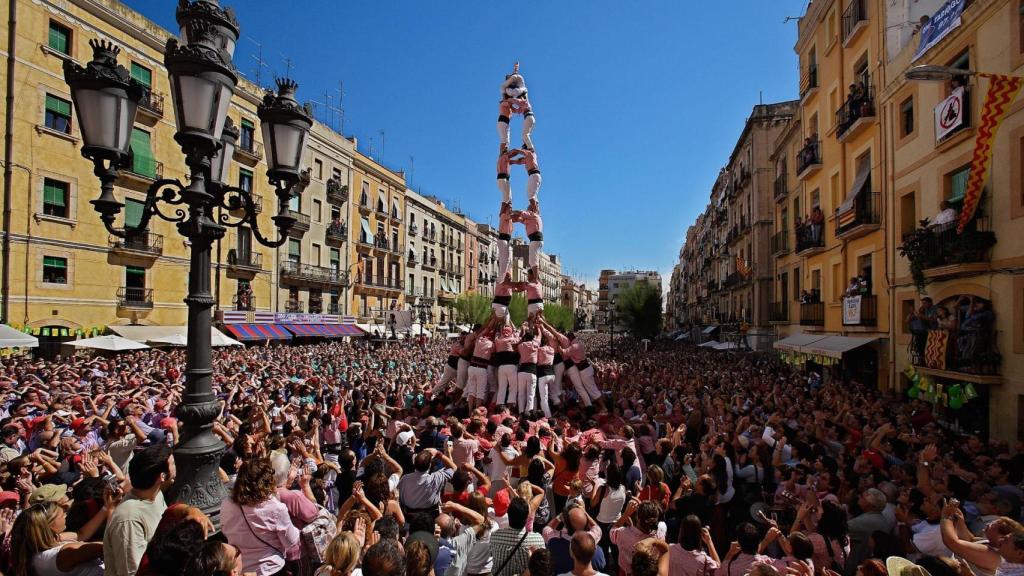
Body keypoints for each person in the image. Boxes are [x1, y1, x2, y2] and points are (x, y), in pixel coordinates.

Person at [220, 458, 300, 576]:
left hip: (241, 568)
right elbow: (291, 541)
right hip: (270, 569)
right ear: (267, 482)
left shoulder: (227, 503)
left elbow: (224, 530)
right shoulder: (276, 508)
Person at [103, 443, 173, 576]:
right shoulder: (129, 520)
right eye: (173, 464)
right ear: (162, 476)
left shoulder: (155, 493)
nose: (177, 467)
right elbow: (131, 572)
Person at [10, 502, 104, 576]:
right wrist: (113, 513)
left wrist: (106, 508)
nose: (66, 515)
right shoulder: (65, 553)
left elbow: (80, 534)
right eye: (62, 514)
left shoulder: (41, 548)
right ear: (49, 526)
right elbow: (109, 546)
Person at [490, 497, 545, 576]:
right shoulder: (538, 540)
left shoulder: (495, 536)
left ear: (508, 514)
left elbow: (491, 554)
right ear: (526, 518)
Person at [396, 447, 457, 517]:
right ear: (430, 465)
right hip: (431, 518)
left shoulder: (405, 479)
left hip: (409, 519)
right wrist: (438, 454)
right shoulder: (436, 478)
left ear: (414, 463)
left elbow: (399, 496)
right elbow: (453, 468)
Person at [512, 200, 544, 274]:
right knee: (532, 260)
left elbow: (520, 212)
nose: (526, 211)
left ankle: (535, 278)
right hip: (536, 240)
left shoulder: (533, 215)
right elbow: (518, 219)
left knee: (533, 260)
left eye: (528, 210)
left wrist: (511, 211)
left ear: (531, 210)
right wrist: (510, 217)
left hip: (536, 239)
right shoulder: (530, 219)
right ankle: (535, 276)